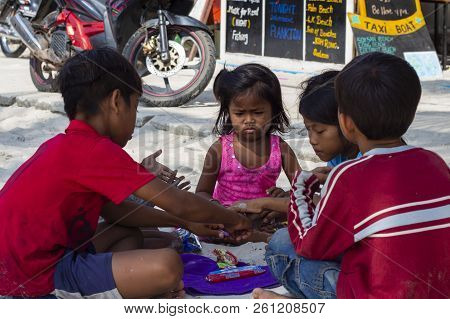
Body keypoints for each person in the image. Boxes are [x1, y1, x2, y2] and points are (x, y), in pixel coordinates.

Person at [0, 48, 252, 299]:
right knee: (167, 265)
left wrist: (183, 223)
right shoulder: (96, 151)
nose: (134, 118)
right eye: (135, 106)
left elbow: (115, 212)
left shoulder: (61, 144)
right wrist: (234, 220)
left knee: (127, 235)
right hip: (35, 277)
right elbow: (179, 202)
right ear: (117, 101)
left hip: (22, 261)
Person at [252, 52, 450, 299]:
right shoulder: (435, 163)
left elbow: (310, 245)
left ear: (345, 123)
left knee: (281, 245)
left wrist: (302, 185)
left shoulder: (348, 175)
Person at [195, 63, 301, 242]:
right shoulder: (220, 149)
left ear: (273, 111)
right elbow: (202, 193)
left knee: (298, 214)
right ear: (228, 112)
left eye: (258, 112)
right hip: (226, 218)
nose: (249, 120)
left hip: (263, 217)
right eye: (239, 114)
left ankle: (256, 234)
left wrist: (284, 196)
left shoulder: (280, 148)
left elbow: (303, 190)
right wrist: (217, 209)